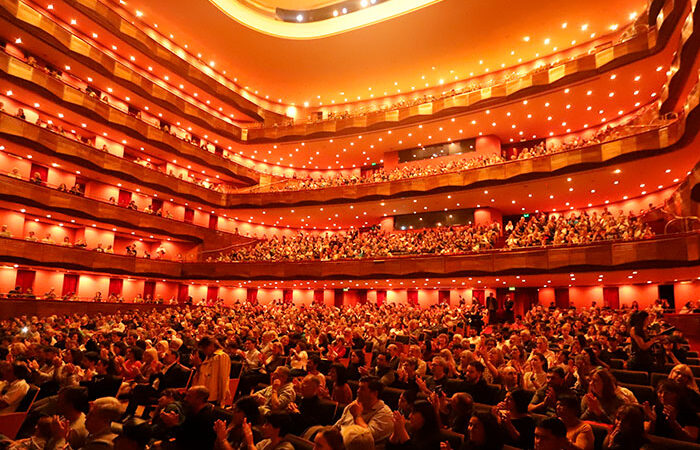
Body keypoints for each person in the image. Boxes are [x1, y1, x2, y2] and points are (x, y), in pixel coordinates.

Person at [334, 376, 393, 447]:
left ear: (374, 393)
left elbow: (366, 438)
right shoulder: (354, 405)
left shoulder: (385, 414)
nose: (357, 391)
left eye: (362, 389)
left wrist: (357, 416)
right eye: (358, 387)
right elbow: (337, 427)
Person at [46, 396, 122, 450]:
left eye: (92, 414)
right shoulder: (96, 434)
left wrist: (60, 438)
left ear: (105, 421)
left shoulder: (102, 444)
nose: (86, 417)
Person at [192, 336, 231, 406]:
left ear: (211, 346)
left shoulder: (221, 356)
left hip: (213, 394)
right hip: (205, 393)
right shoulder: (209, 356)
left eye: (204, 348)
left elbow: (222, 378)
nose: (204, 351)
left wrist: (221, 397)